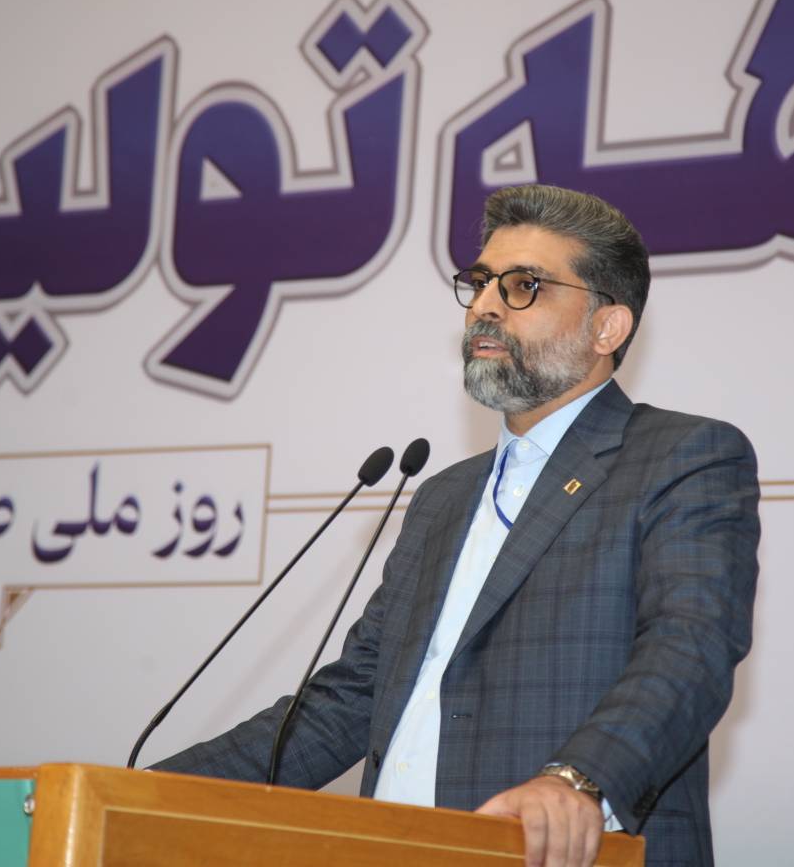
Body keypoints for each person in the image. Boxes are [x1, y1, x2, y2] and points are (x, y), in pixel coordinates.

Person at [153, 184, 760, 867]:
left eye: (524, 285)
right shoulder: (443, 496)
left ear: (606, 328)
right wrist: (148, 794)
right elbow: (351, 699)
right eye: (480, 283)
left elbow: (690, 648)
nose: (485, 306)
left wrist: (577, 780)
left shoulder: (681, 456)